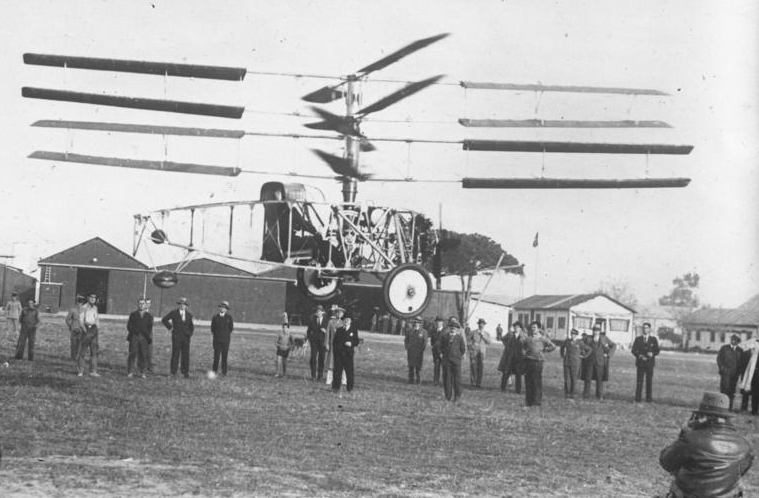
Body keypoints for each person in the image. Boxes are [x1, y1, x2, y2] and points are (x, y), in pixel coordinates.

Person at [659, 392, 753, 498]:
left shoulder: (691, 439)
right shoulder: (744, 445)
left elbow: (666, 462)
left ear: (702, 416)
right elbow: (741, 472)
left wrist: (684, 433)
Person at [521, 320, 556, 407]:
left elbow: (553, 346)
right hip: (528, 361)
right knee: (528, 382)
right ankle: (528, 401)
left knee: (536, 381)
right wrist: (524, 354)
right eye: (532, 327)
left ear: (539, 329)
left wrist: (545, 350)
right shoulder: (528, 338)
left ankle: (536, 401)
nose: (533, 329)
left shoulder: (543, 338)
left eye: (535, 327)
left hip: (538, 362)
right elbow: (523, 347)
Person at [162, 297, 194, 378]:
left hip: (186, 338)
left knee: (185, 355)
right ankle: (173, 372)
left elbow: (191, 326)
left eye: (184, 304)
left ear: (186, 306)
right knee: (175, 354)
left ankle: (185, 372)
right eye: (181, 304)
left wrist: (189, 334)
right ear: (179, 305)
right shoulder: (174, 313)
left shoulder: (189, 315)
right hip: (176, 337)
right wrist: (170, 327)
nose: (182, 306)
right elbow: (164, 320)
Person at [582, 324, 616, 400]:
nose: (596, 332)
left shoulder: (604, 338)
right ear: (592, 331)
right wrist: (583, 353)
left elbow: (614, 345)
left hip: (600, 362)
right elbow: (581, 345)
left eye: (597, 331)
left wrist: (608, 355)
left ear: (599, 331)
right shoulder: (588, 338)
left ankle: (599, 395)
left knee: (599, 379)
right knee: (587, 378)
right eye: (594, 330)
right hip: (589, 362)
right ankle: (586, 395)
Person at [631, 322, 661, 403]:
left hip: (649, 363)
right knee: (639, 381)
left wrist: (652, 354)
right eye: (643, 328)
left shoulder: (653, 339)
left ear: (649, 329)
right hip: (640, 363)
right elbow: (633, 350)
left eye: (646, 328)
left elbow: (657, 351)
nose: (645, 329)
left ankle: (649, 399)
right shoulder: (638, 339)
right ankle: (638, 399)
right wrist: (639, 355)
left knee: (649, 382)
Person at [332, 314, 360, 394]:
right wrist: (336, 352)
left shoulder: (353, 330)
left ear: (350, 321)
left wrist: (351, 343)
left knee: (349, 372)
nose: (346, 321)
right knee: (337, 371)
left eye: (348, 320)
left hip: (348, 354)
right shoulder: (339, 330)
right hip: (339, 354)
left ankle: (350, 388)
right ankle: (336, 387)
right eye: (345, 320)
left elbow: (356, 341)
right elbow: (334, 342)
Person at [440, 317, 467, 402]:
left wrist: (458, 355)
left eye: (454, 328)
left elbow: (463, 349)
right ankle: (448, 396)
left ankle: (457, 396)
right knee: (447, 378)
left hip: (456, 361)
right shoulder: (445, 337)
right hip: (447, 360)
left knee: (457, 379)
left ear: (457, 329)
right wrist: (442, 354)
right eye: (451, 328)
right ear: (449, 328)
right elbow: (440, 346)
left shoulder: (459, 338)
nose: (452, 329)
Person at [560, 328, 591, 399]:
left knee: (574, 379)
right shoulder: (567, 341)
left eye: (574, 334)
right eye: (571, 334)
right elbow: (562, 347)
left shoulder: (580, 342)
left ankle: (573, 394)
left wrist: (584, 356)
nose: (572, 335)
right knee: (567, 379)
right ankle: (567, 394)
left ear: (577, 335)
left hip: (575, 363)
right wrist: (562, 355)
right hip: (567, 362)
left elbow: (589, 349)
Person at [126, 297, 153, 378]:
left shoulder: (149, 316)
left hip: (144, 337)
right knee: (133, 353)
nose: (141, 305)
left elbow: (149, 327)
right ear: (138, 304)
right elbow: (129, 326)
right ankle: (130, 371)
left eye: (143, 304)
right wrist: (135, 331)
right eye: (140, 303)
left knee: (143, 355)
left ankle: (143, 372)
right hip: (134, 337)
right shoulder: (133, 314)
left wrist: (145, 334)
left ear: (146, 305)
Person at [717, 334, 743, 411]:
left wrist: (739, 372)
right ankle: (722, 407)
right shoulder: (724, 348)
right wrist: (721, 368)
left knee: (732, 390)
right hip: (725, 373)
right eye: (732, 339)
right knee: (724, 389)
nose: (733, 341)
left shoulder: (740, 350)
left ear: (738, 341)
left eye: (735, 340)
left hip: (735, 374)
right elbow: (719, 359)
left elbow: (741, 362)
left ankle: (729, 407)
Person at [497, 322, 525, 393]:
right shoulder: (510, 334)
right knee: (506, 372)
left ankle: (518, 390)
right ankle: (502, 388)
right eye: (515, 327)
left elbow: (526, 344)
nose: (516, 328)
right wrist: (507, 346)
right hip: (509, 357)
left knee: (518, 374)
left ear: (521, 329)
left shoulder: (523, 336)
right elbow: (503, 339)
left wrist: (523, 351)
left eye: (518, 327)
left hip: (519, 358)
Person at [77, 292, 100, 376]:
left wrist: (97, 328)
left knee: (94, 351)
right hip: (86, 329)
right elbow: (81, 321)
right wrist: (85, 331)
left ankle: (93, 371)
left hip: (94, 330)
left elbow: (97, 319)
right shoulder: (83, 307)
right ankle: (80, 371)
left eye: (94, 297)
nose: (93, 299)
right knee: (82, 352)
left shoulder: (95, 308)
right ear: (88, 298)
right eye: (91, 297)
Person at [210, 301, 234, 376]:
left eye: (224, 308)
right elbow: (212, 328)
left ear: (226, 309)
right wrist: (217, 335)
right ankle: (214, 371)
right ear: (219, 308)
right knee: (216, 357)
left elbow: (231, 328)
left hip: (225, 341)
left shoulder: (229, 318)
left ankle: (224, 372)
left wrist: (225, 335)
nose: (222, 309)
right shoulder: (215, 317)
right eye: (221, 307)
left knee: (224, 357)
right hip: (217, 340)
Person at [306, 305, 329, 381]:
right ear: (316, 313)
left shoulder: (327, 321)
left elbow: (329, 333)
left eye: (320, 311)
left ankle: (320, 376)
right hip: (314, 342)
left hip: (323, 343)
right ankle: (313, 375)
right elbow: (308, 331)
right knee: (313, 358)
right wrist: (310, 339)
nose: (318, 313)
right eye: (317, 312)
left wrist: (325, 332)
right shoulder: (312, 320)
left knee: (321, 359)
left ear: (323, 312)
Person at [467, 318, 491, 388]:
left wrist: (483, 336)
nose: (481, 325)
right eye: (480, 324)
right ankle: (473, 383)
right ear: (478, 324)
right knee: (473, 367)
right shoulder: (473, 332)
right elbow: (467, 341)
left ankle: (478, 383)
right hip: (474, 352)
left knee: (481, 367)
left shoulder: (486, 333)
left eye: (482, 324)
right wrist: (471, 347)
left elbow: (489, 342)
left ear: (484, 325)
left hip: (482, 353)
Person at [325, 304, 345, 385]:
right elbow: (327, 334)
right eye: (338, 313)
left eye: (341, 313)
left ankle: (341, 379)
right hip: (332, 344)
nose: (339, 314)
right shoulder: (331, 322)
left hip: (340, 346)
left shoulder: (343, 323)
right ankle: (329, 379)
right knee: (331, 362)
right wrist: (326, 344)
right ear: (335, 314)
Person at [738, 339, 759, 413]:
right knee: (754, 392)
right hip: (754, 372)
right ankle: (754, 410)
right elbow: (746, 346)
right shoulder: (754, 345)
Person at [404, 316, 427, 384]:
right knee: (411, 366)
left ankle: (418, 380)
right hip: (411, 351)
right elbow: (406, 339)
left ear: (420, 323)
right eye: (416, 322)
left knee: (418, 367)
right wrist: (407, 347)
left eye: (418, 322)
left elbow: (425, 342)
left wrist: (422, 349)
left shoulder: (423, 332)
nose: (417, 323)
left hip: (418, 352)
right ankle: (411, 380)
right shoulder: (409, 330)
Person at [65, 295, 85, 361]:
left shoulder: (85, 311)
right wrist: (71, 326)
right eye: (79, 302)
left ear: (83, 303)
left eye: (81, 302)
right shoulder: (73, 310)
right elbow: (67, 320)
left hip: (81, 330)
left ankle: (79, 358)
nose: (80, 304)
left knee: (81, 345)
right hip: (74, 329)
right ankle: (73, 358)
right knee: (74, 344)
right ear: (76, 302)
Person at [429, 316, 445, 385]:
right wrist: (434, 347)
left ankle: (445, 382)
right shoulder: (434, 330)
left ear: (442, 323)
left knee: (445, 368)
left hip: (444, 352)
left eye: (440, 322)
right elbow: (432, 341)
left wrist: (443, 352)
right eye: (437, 322)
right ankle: (436, 381)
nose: (438, 323)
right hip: (436, 352)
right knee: (436, 367)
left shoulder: (445, 331)